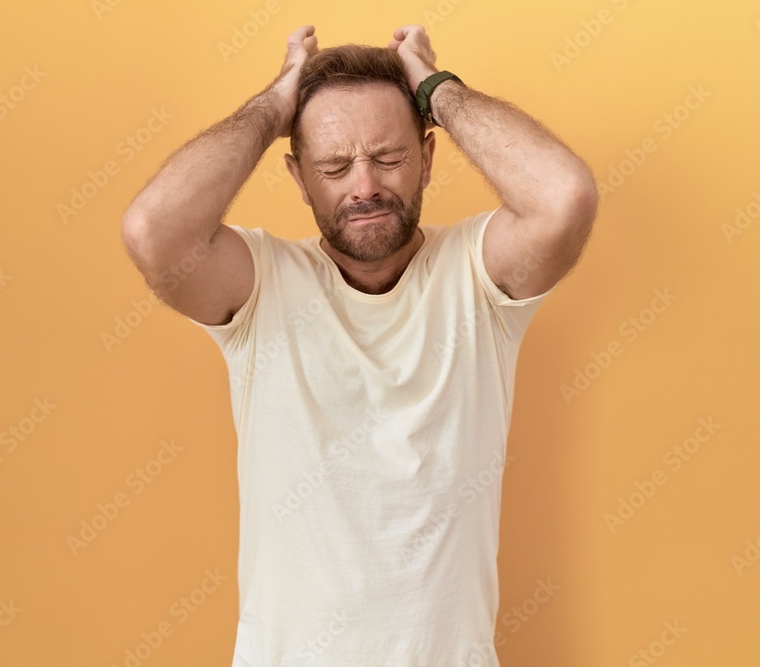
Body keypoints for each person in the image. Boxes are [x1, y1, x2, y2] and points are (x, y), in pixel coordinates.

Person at [121, 23, 597, 667]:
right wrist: (273, 106)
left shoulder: (477, 277)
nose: (365, 186)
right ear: (299, 178)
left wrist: (437, 88)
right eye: (334, 166)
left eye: (390, 158)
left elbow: (565, 198)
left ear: (428, 157)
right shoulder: (261, 286)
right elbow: (154, 230)